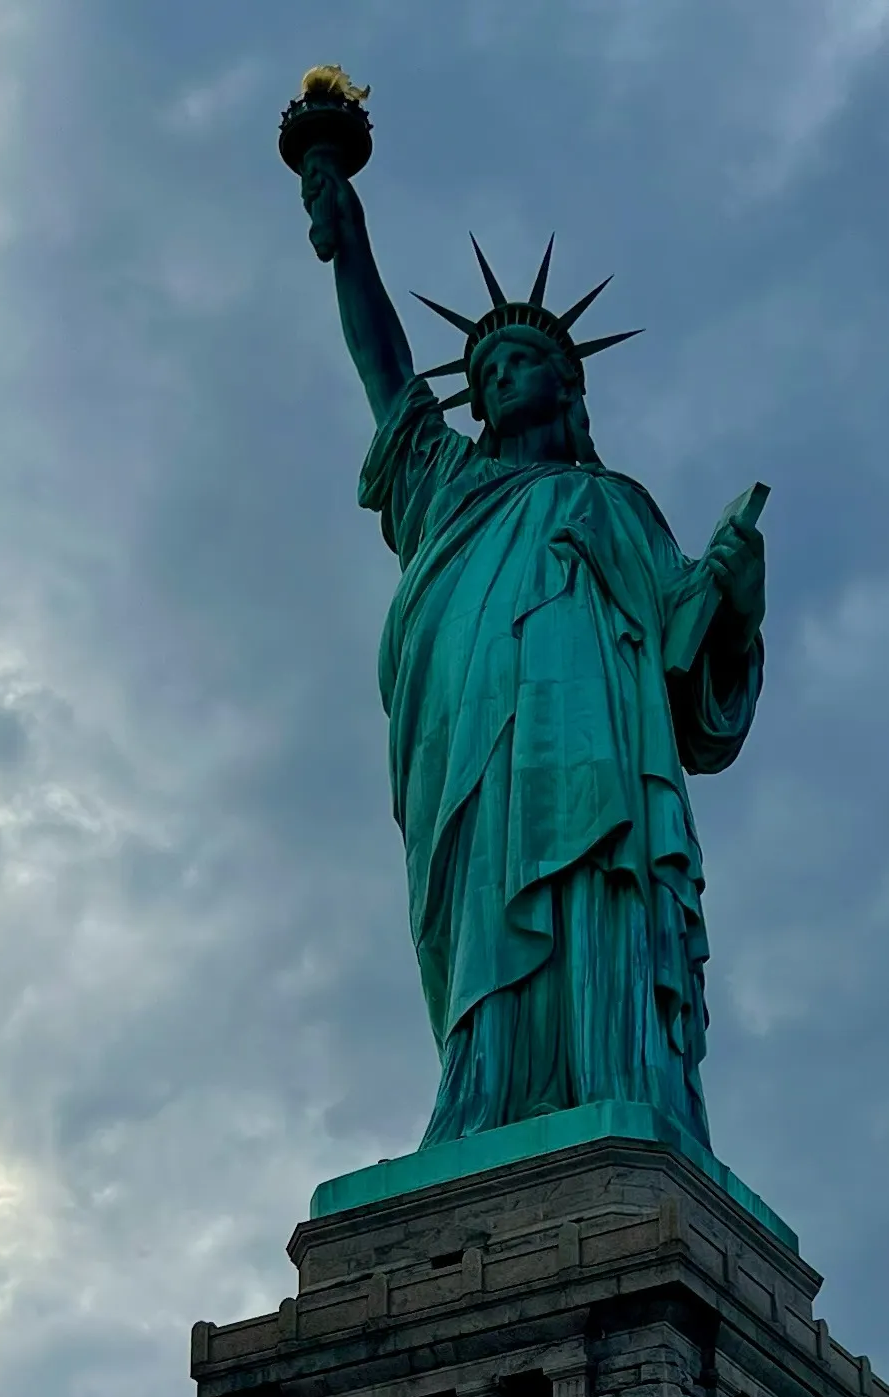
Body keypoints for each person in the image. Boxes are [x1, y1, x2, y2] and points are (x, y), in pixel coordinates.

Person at [300, 149, 766, 1148]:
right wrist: (352, 246)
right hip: (471, 756)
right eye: (484, 371)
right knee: (480, 924)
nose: (499, 378)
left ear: (567, 386)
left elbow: (692, 674)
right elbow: (388, 382)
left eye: (521, 363)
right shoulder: (450, 492)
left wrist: (735, 596)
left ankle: (621, 1083)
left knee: (601, 896)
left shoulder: (617, 505)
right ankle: (483, 1102)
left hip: (596, 762)